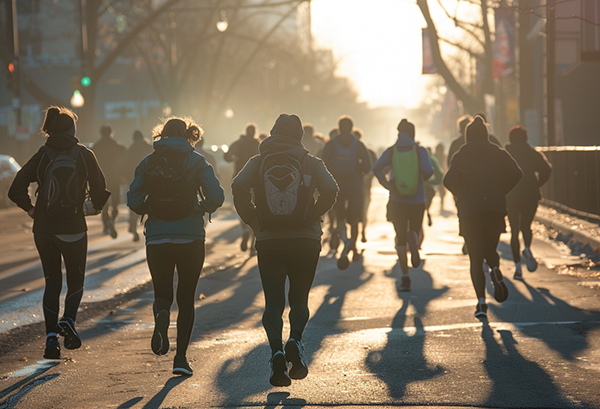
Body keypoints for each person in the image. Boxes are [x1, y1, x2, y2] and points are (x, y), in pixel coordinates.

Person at [232, 114, 338, 387]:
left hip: (270, 242)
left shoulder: (257, 162)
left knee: (273, 302)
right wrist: (312, 215)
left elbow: (238, 185)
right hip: (306, 241)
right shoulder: (311, 162)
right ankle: (295, 341)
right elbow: (330, 189)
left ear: (273, 133)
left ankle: (277, 353)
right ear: (300, 136)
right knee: (299, 299)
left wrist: (254, 221)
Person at [8, 106, 110, 359]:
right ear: (73, 129)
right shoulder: (85, 154)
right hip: (74, 227)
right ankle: (69, 320)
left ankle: (51, 339)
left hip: (44, 228)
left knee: (52, 282)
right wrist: (92, 207)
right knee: (76, 281)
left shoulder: (42, 154)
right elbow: (100, 190)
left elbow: (15, 188)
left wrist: (31, 209)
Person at [127, 117, 224, 376]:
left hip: (158, 237)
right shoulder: (197, 161)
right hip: (191, 236)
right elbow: (216, 196)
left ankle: (161, 313)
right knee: (186, 298)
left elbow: (133, 198)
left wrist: (149, 208)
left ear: (162, 135)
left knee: (162, 292)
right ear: (188, 135)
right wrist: (200, 207)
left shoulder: (148, 163)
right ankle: (180, 359)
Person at [443, 116, 522, 319]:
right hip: (494, 208)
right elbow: (517, 173)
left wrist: (462, 194)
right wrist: (501, 190)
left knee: (476, 258)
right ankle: (495, 267)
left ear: (468, 135)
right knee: (490, 247)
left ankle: (481, 304)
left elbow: (448, 180)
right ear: (486, 134)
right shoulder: (497, 152)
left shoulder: (461, 154)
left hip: (469, 211)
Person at [372, 119, 434, 292]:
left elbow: (376, 168)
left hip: (397, 199)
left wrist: (388, 185)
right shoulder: (420, 151)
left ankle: (405, 278)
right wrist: (420, 178)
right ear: (413, 133)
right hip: (417, 199)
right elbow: (429, 171)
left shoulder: (391, 151)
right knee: (413, 228)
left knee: (400, 237)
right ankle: (413, 237)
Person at [322, 116, 372, 269]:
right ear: (351, 128)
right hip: (355, 187)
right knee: (355, 219)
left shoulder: (331, 144)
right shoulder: (358, 145)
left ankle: (344, 244)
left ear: (338, 128)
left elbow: (323, 163)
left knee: (340, 218)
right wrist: (359, 173)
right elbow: (368, 166)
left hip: (337, 186)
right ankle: (353, 246)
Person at [505, 126, 552, 280]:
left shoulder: (506, 154)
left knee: (514, 231)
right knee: (526, 226)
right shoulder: (532, 154)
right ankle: (527, 248)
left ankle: (518, 267)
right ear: (525, 138)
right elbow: (547, 169)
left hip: (511, 196)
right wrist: (538, 183)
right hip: (530, 195)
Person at [224, 123, 260, 253]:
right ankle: (254, 240)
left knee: (242, 205)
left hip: (239, 178)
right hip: (256, 180)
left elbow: (227, 157)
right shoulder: (258, 144)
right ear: (255, 132)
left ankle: (245, 229)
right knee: (257, 207)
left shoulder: (238, 143)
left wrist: (235, 157)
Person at [92, 124, 126, 238]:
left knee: (103, 204)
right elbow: (124, 160)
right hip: (115, 178)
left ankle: (106, 223)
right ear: (111, 132)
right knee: (115, 203)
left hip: (100, 178)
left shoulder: (95, 147)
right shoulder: (118, 146)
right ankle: (112, 219)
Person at [118, 130, 153, 242]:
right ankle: (148, 227)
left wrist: (125, 176)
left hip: (133, 179)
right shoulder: (149, 148)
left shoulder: (130, 149)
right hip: (150, 180)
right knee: (150, 202)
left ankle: (133, 224)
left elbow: (122, 164)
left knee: (135, 201)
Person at [353, 129, 377, 243]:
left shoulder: (347, 150)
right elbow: (373, 169)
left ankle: (352, 237)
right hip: (366, 188)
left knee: (352, 213)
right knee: (364, 210)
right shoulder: (369, 152)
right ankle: (363, 231)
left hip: (351, 187)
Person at [433, 142, 447, 210]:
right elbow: (445, 166)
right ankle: (442, 202)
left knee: (438, 190)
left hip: (436, 175)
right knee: (441, 190)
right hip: (442, 174)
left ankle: (441, 203)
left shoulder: (435, 155)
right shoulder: (444, 156)